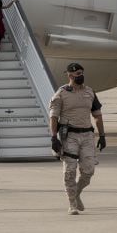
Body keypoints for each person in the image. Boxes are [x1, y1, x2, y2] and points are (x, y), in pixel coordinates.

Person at [48, 63, 106, 215]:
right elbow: (53, 117)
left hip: (87, 135)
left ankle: (77, 192)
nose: (80, 76)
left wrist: (102, 135)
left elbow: (98, 115)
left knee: (88, 171)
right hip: (70, 136)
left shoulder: (90, 92)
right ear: (69, 75)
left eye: (82, 72)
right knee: (70, 171)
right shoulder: (61, 94)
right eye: (77, 73)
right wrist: (54, 137)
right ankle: (72, 203)